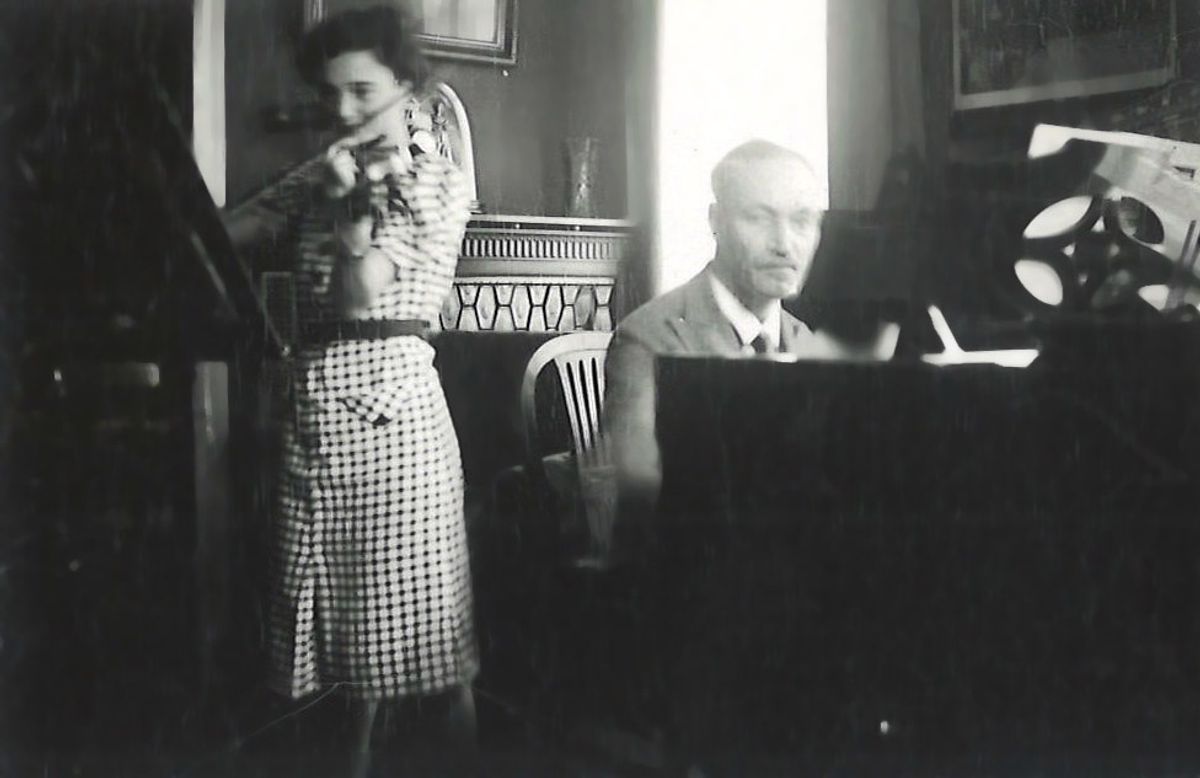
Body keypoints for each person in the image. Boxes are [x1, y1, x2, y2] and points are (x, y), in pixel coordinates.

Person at [223, 6, 475, 775]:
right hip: (313, 415)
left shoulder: (435, 182)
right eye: (330, 93)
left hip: (394, 427)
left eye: (361, 91)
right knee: (334, 637)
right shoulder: (325, 169)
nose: (343, 109)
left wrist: (342, 209)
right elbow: (233, 231)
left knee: (416, 646)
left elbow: (361, 290)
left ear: (406, 85)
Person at [602, 139, 897, 517]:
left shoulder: (803, 340)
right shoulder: (648, 340)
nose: (784, 245)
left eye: (802, 221)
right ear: (716, 221)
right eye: (758, 218)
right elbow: (642, 491)